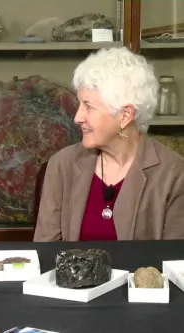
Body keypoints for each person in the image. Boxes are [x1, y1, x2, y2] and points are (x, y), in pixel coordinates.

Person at [34, 46, 184, 242]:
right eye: (80, 104)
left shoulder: (174, 174)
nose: (78, 117)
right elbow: (46, 254)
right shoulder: (62, 165)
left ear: (125, 115)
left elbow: (174, 264)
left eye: (88, 106)